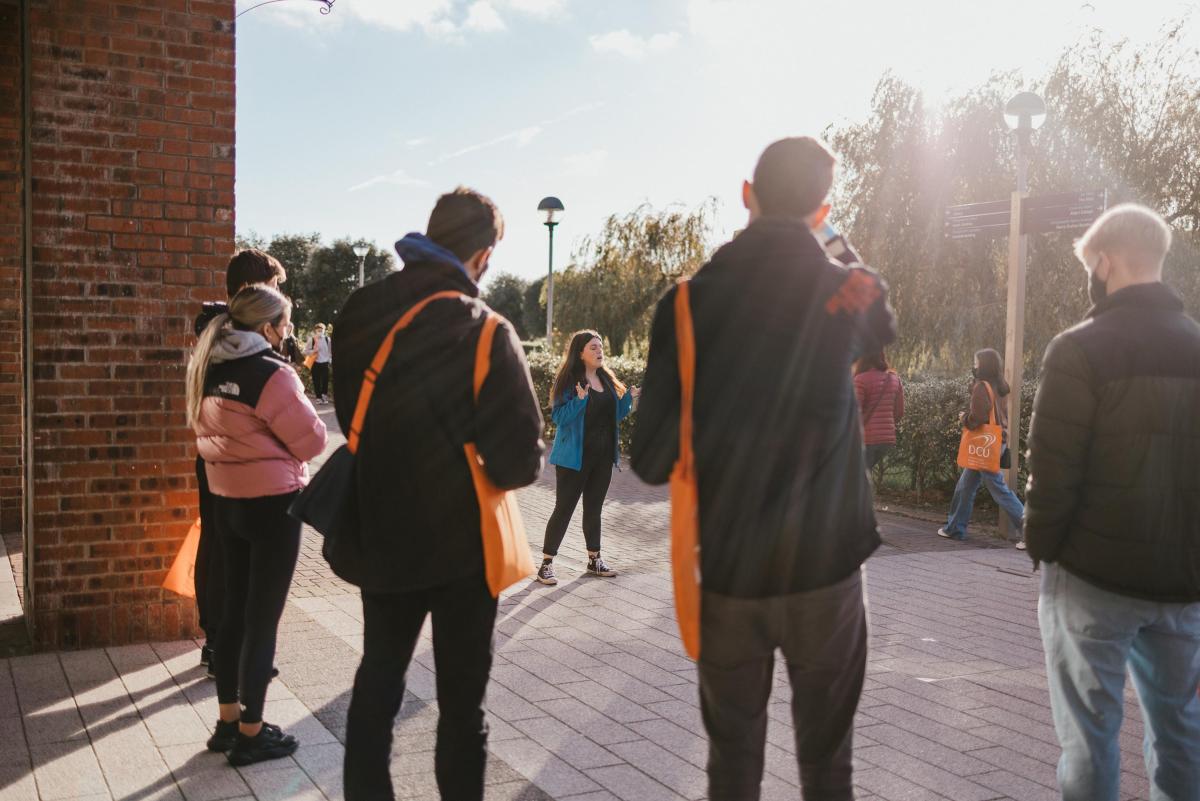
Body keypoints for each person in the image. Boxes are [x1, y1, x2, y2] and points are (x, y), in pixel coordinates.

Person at [631, 137, 896, 801]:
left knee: (733, 764)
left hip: (730, 570)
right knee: (829, 765)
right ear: (823, 210)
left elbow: (650, 458)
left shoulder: (687, 305)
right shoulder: (840, 293)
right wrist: (832, 244)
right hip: (828, 567)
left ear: (746, 196)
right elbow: (881, 317)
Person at [330, 188, 544, 801]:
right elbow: (518, 463)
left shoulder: (362, 308)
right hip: (463, 550)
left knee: (377, 687)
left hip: (381, 530)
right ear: (483, 254)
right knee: (460, 707)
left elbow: (351, 419)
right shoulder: (486, 330)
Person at [1025, 204, 1200, 801]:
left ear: (1103, 262)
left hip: (1092, 576)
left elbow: (1053, 472)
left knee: (1090, 737)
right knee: (1181, 732)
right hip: (1183, 582)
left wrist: (1042, 548)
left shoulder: (1077, 350)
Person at [187, 284, 328, 766]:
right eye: (286, 324)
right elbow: (311, 442)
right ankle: (252, 733)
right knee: (262, 618)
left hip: (227, 502)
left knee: (230, 614)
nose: (288, 333)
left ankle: (227, 722)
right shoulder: (272, 374)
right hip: (273, 505)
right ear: (268, 327)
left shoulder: (210, 368)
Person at [192, 248, 287, 676]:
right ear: (257, 289)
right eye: (276, 287)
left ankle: (217, 641)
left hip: (212, 453)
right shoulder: (243, 340)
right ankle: (233, 646)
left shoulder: (212, 330)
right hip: (246, 460)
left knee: (216, 541)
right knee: (241, 554)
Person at [536, 330, 640, 585]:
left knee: (593, 510)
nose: (599, 350)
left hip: (602, 458)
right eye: (593, 347)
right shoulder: (569, 381)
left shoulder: (606, 380)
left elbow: (611, 417)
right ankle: (546, 564)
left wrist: (628, 400)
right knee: (564, 509)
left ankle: (594, 559)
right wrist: (580, 400)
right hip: (574, 458)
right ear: (580, 353)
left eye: (600, 345)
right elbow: (559, 418)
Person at [936, 348, 1026, 548]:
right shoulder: (1000, 386)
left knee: (1000, 491)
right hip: (995, 442)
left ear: (983, 365)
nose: (973, 365)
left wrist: (963, 418)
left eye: (976, 362)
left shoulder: (981, 387)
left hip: (985, 445)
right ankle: (954, 528)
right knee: (965, 486)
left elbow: (977, 418)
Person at [853, 349, 904, 475]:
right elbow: (899, 412)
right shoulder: (894, 379)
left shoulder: (860, 379)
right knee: (862, 476)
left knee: (855, 477)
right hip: (886, 440)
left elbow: (854, 414)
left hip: (867, 439)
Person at [306, 322, 333, 403]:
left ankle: (324, 396)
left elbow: (330, 351)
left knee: (325, 380)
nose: (320, 332)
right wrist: (313, 351)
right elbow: (305, 351)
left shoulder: (327, 339)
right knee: (316, 380)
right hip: (315, 362)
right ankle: (318, 398)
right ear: (315, 331)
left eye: (322, 330)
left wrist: (329, 359)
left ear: (324, 330)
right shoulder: (312, 339)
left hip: (325, 362)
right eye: (318, 330)